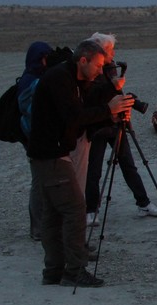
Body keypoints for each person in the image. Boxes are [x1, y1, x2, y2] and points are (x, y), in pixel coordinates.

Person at [27, 39, 133, 288]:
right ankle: (74, 272)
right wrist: (109, 110)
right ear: (82, 60)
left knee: (53, 215)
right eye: (98, 66)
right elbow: (74, 116)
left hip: (50, 153)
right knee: (75, 210)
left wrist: (111, 97)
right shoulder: (60, 79)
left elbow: (85, 107)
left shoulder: (74, 79)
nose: (99, 71)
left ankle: (53, 272)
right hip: (51, 156)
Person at [82, 32, 157, 225]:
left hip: (115, 124)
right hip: (97, 126)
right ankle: (90, 210)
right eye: (110, 50)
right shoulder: (90, 70)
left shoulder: (110, 68)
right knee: (94, 170)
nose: (112, 54)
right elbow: (91, 98)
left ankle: (143, 204)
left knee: (128, 164)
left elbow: (115, 93)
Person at [17, 41, 54, 241]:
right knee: (40, 184)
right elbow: (33, 112)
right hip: (35, 140)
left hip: (36, 138)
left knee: (44, 183)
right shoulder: (31, 82)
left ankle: (43, 226)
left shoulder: (33, 78)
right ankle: (38, 229)